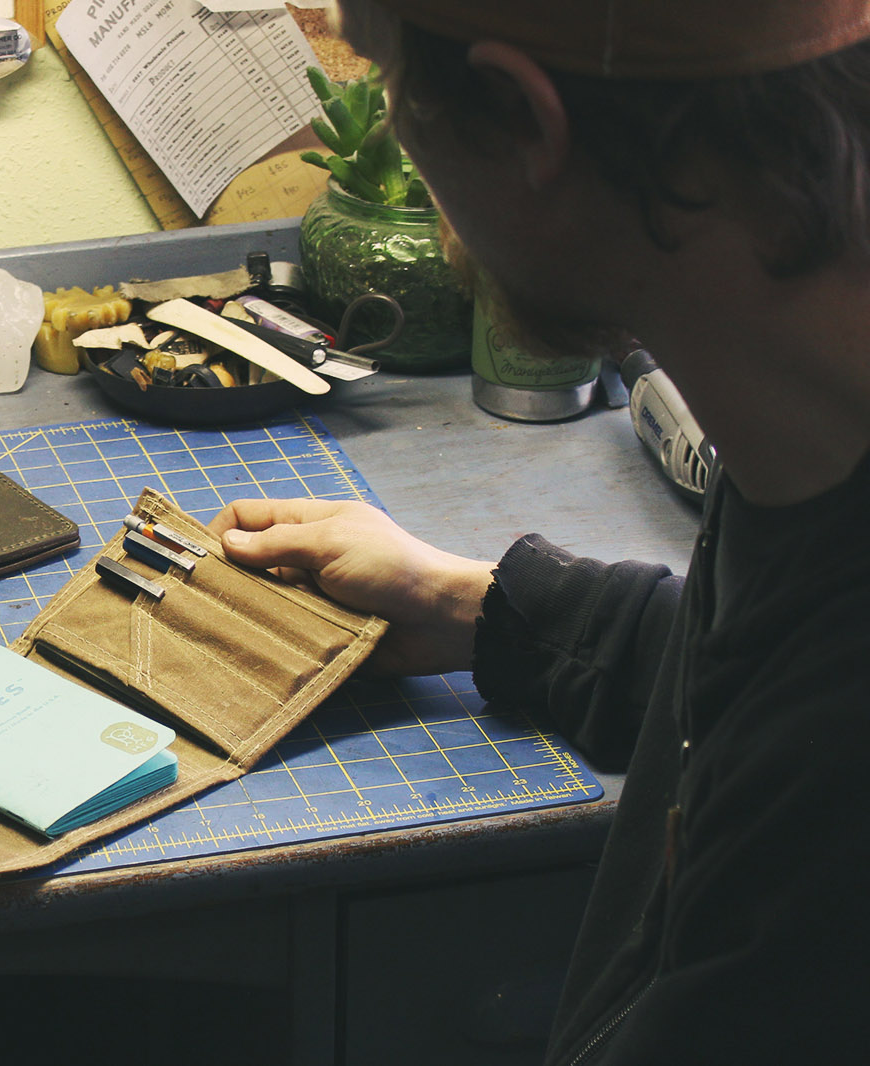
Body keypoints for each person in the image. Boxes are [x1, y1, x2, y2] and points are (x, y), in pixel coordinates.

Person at [206, 1, 870, 1061]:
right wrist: (483, 610)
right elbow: (756, 682)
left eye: (383, 83)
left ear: (523, 119)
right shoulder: (804, 440)